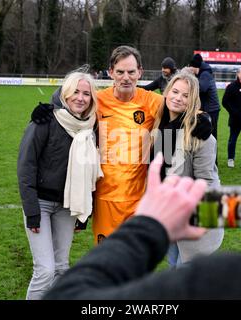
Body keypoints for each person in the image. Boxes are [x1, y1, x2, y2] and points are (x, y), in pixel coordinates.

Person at [44, 0, 241, 299]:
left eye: (132, 72)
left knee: (160, 274)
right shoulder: (147, 113)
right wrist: (49, 112)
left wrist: (202, 125)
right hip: (132, 206)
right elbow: (77, 101)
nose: (176, 97)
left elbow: (70, 293)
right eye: (173, 92)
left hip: (171, 217)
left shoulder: (232, 279)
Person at [31, 46, 214, 244]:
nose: (126, 77)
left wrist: (204, 118)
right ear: (111, 73)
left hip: (140, 199)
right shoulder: (98, 100)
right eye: (120, 72)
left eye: (131, 72)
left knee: (136, 262)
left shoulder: (152, 101)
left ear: (140, 72)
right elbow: (71, 98)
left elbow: (180, 105)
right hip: (105, 199)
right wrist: (50, 109)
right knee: (106, 261)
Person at [17, 70, 103, 299]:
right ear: (65, 92)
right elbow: (26, 167)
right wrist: (32, 212)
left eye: (86, 93)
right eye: (75, 91)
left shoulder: (91, 126)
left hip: (67, 206)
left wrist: (84, 212)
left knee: (62, 268)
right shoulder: (45, 119)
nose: (80, 98)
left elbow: (90, 173)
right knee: (45, 270)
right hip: (40, 204)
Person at [151, 69, 223, 267]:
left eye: (185, 95)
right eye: (175, 92)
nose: (178, 98)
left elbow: (207, 183)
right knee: (173, 269)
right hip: (170, 220)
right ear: (167, 92)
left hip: (194, 222)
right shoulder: (161, 127)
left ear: (193, 101)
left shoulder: (200, 133)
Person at [188, 53, 221, 146]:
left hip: (212, 109)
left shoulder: (205, 74)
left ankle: (214, 160)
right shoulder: (202, 73)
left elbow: (202, 89)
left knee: (212, 135)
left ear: (195, 67)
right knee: (205, 132)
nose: (190, 69)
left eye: (191, 67)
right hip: (207, 108)